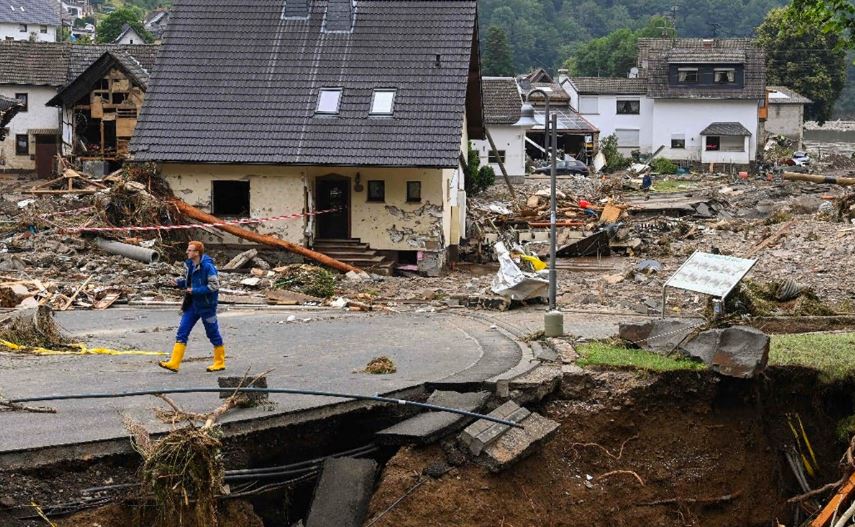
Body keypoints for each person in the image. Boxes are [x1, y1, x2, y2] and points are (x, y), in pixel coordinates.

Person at [158, 241, 226, 373]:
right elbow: (187, 281)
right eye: (188, 250)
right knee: (182, 331)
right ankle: (174, 363)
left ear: (197, 252)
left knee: (212, 333)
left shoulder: (208, 267)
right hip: (192, 305)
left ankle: (219, 362)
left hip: (207, 306)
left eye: (190, 250)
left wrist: (195, 290)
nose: (187, 252)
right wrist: (178, 282)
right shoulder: (189, 264)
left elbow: (214, 286)